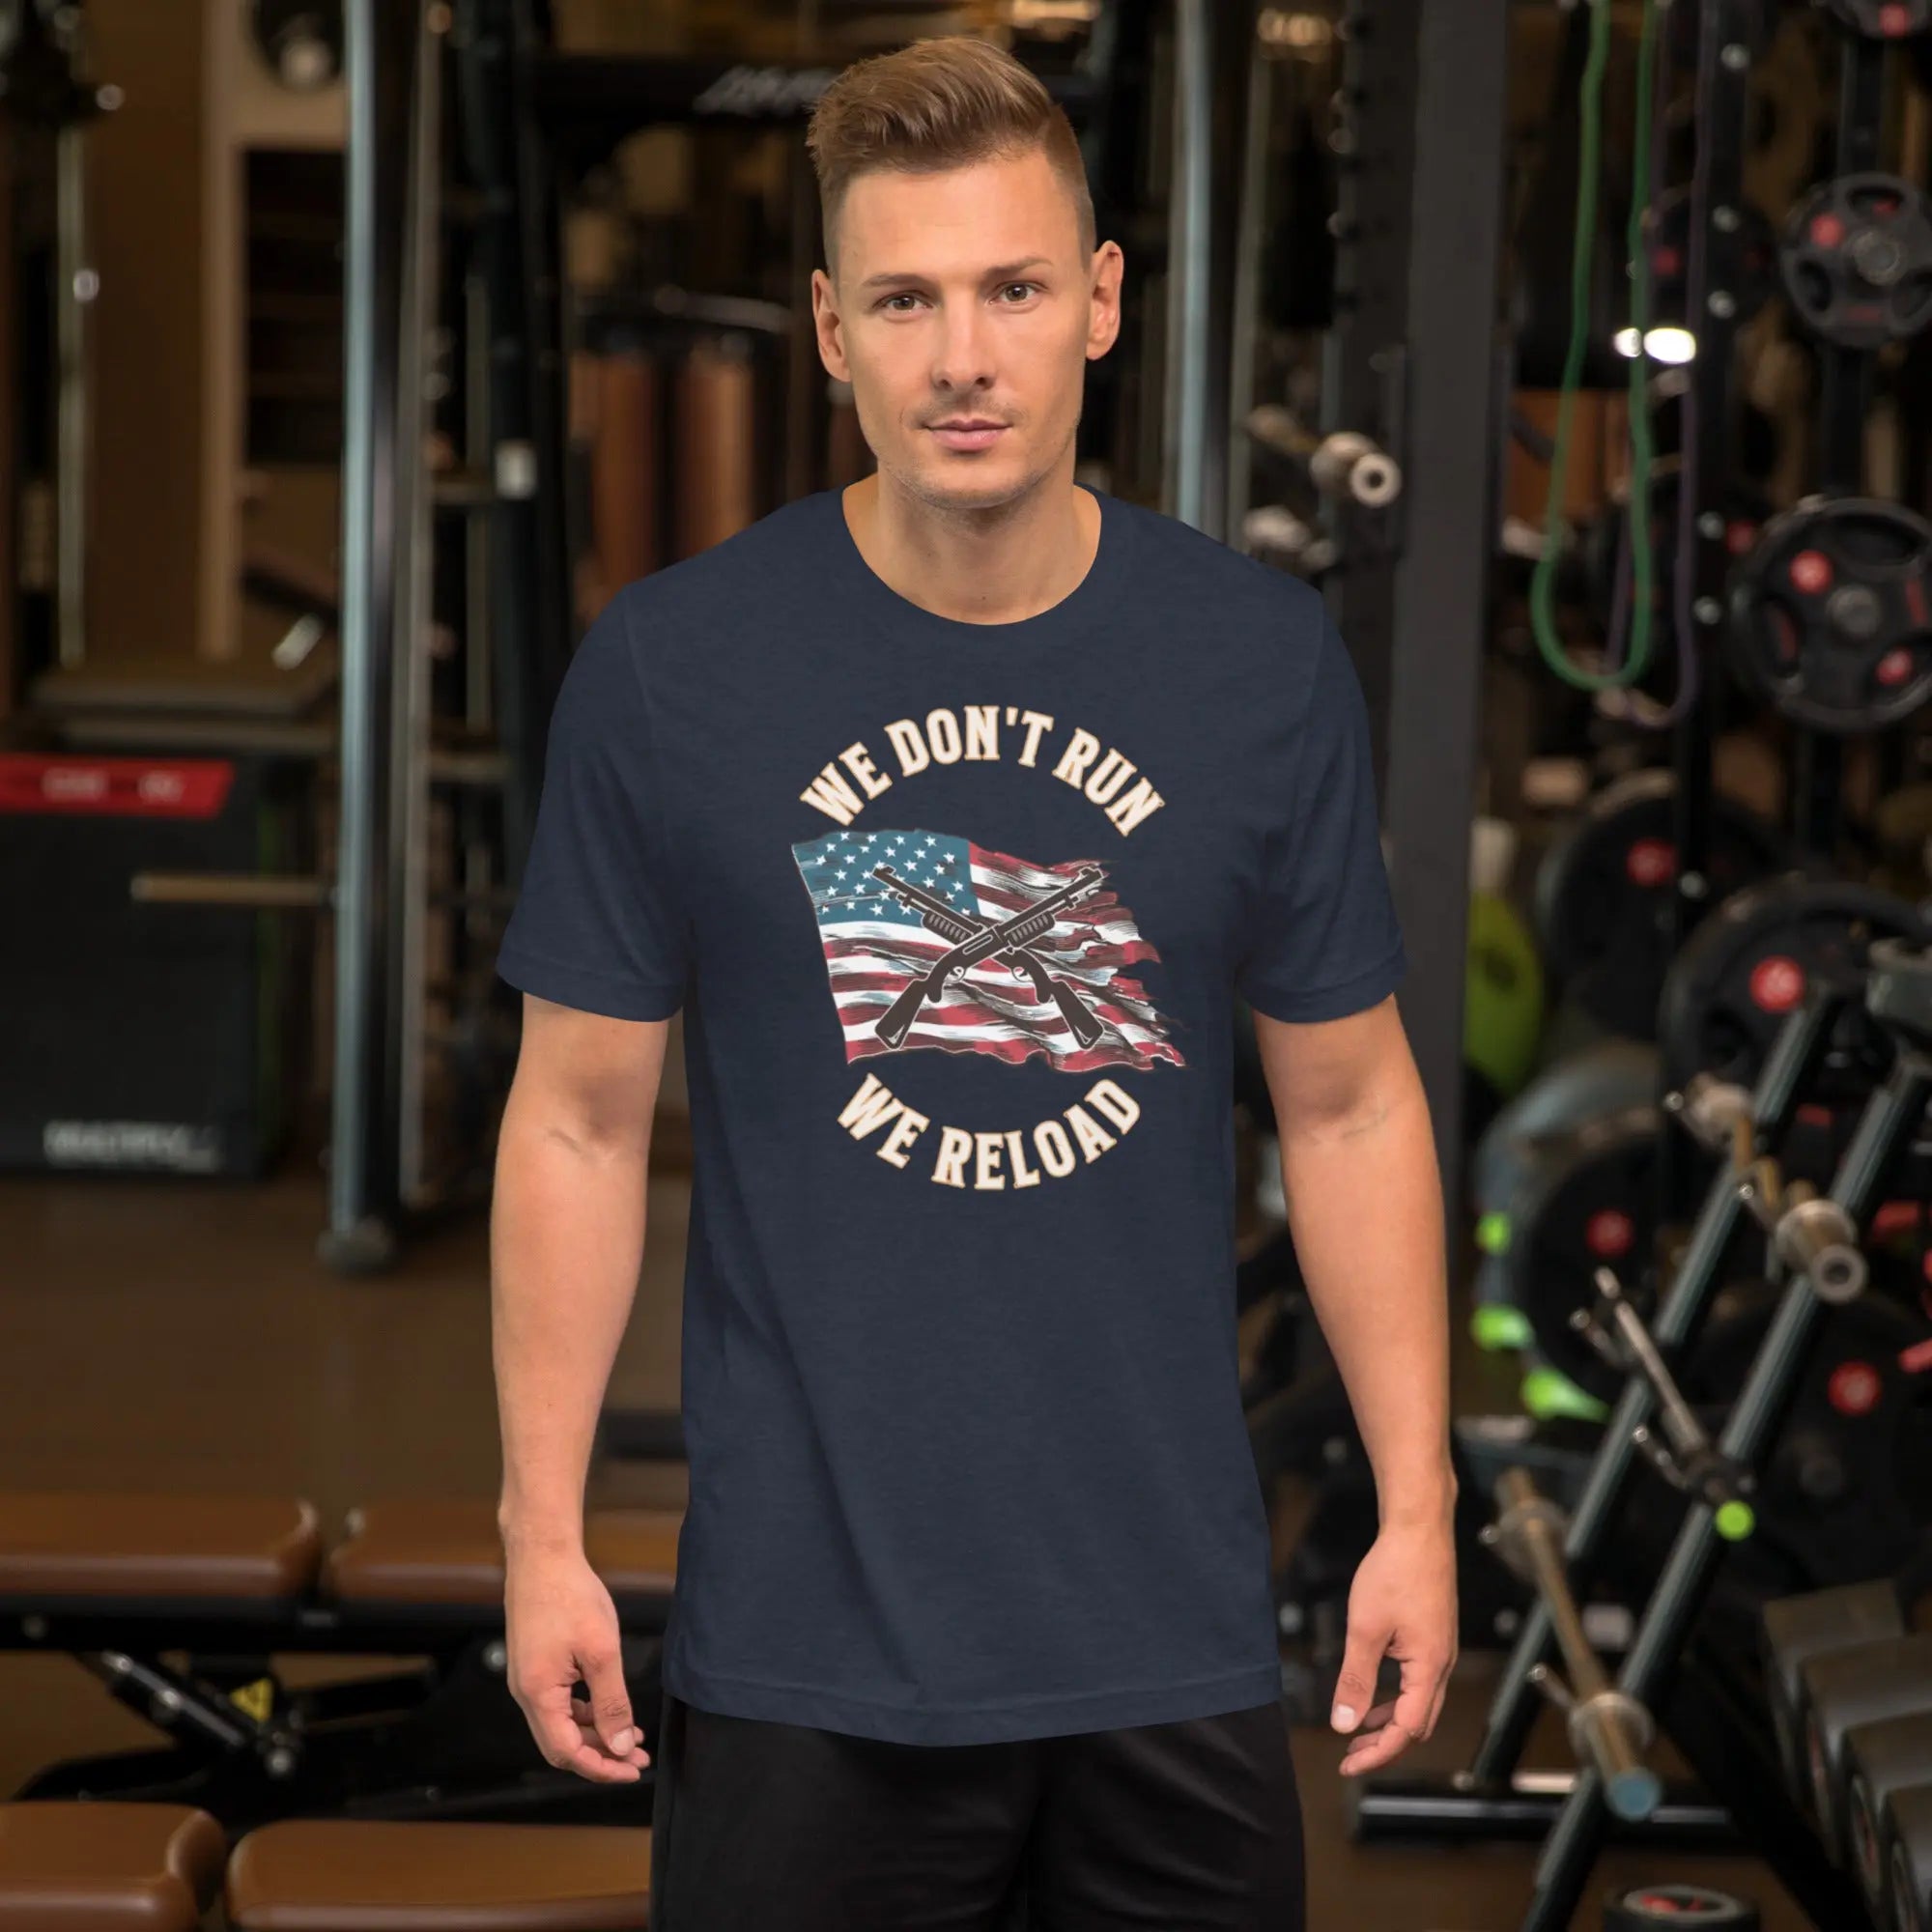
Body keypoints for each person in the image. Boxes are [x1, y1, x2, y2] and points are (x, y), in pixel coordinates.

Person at [490, 32, 1454, 1931]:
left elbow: (1350, 1102)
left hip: (1163, 1636)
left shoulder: (1253, 666)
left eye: (1013, 288)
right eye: (908, 300)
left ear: (1097, 304)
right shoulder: (677, 671)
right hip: (805, 1645)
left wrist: (1414, 1512)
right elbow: (578, 1121)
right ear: (831, 328)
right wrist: (541, 1534)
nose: (962, 357)